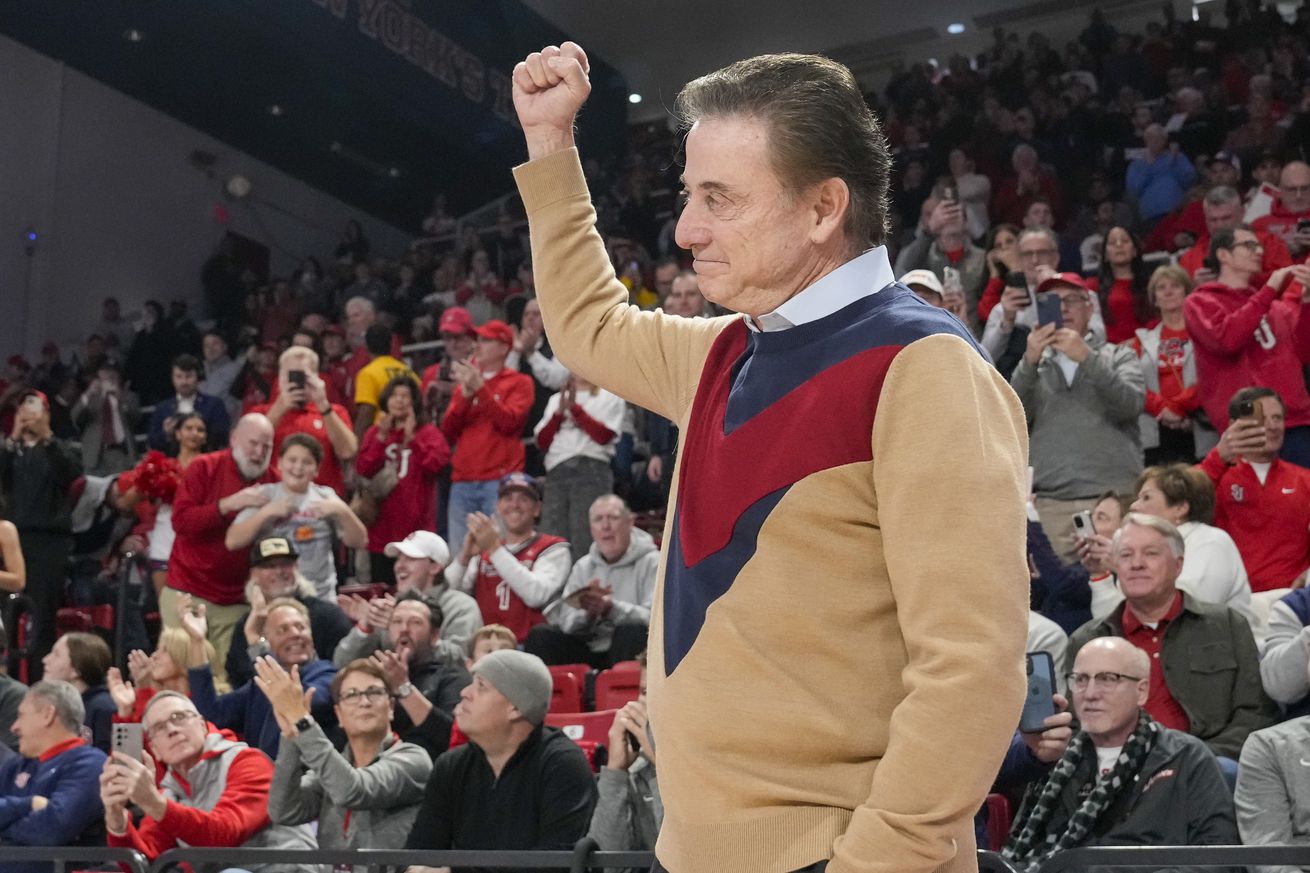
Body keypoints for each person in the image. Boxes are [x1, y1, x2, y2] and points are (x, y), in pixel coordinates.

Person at [512, 42, 1029, 872]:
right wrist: (550, 145)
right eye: (689, 194)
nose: (685, 229)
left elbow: (972, 672)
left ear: (825, 207)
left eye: (719, 198)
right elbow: (589, 326)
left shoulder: (925, 367)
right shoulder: (723, 348)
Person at [1003, 638, 1238, 870]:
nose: (1091, 693)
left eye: (1108, 679)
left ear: (1141, 691)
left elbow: (1219, 858)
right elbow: (1023, 852)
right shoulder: (1052, 759)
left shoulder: (1187, 756)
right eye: (1081, 679)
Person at [1067, 513, 1274, 767]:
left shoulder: (1228, 625)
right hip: (1119, 773)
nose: (1137, 564)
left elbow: (1254, 713)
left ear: (1178, 565)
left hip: (1209, 765)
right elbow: (1078, 727)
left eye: (1151, 554)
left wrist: (1192, 760)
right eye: (1126, 555)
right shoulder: (1089, 641)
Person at [403, 650, 597, 857]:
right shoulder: (451, 765)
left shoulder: (562, 765)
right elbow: (417, 852)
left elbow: (557, 863)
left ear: (516, 707)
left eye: (481, 686)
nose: (464, 693)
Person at [100, 691, 315, 871]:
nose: (172, 730)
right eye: (159, 728)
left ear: (203, 725)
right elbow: (144, 862)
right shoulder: (168, 793)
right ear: (155, 750)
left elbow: (225, 834)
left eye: (179, 717)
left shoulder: (247, 761)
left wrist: (154, 804)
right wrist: (116, 819)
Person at [1011, 273, 1144, 558]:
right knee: (1054, 597)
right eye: (1052, 302)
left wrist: (1086, 357)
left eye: (1071, 300)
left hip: (1113, 499)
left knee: (1120, 589)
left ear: (1090, 308)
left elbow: (1129, 405)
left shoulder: (1119, 355)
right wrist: (1029, 360)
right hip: (1050, 505)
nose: (1062, 309)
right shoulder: (1033, 365)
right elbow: (1011, 419)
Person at [266, 658, 432, 857]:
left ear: (391, 707)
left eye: (374, 692)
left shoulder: (413, 759)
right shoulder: (333, 768)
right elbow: (283, 810)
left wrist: (303, 723)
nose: (364, 702)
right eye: (352, 695)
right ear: (339, 714)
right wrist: (291, 736)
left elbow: (352, 789)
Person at [165, 413, 276, 686]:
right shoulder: (204, 467)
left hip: (236, 599)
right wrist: (227, 505)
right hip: (187, 590)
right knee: (177, 675)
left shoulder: (274, 479)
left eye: (267, 447)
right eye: (253, 444)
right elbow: (182, 521)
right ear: (234, 438)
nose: (259, 453)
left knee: (225, 680)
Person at [1184, 227, 1310, 464]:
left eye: (1259, 246)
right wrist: (1269, 290)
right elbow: (1226, 340)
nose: (1259, 251)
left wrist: (1307, 299)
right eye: (1250, 246)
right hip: (1247, 429)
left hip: (1295, 423)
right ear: (1223, 255)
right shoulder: (1200, 301)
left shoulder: (1273, 306)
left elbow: (1303, 352)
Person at [183, 595, 337, 758]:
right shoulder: (258, 688)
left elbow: (293, 699)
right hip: (264, 777)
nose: (295, 634)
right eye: (282, 630)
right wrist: (197, 641)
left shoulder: (327, 673)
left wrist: (255, 643)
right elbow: (212, 714)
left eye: (301, 627)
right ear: (268, 642)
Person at [225, 435, 368, 602]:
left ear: (316, 469)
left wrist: (342, 510)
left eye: (307, 462)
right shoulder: (265, 495)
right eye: (292, 460)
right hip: (274, 597)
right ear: (279, 463)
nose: (298, 467)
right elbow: (232, 541)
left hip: (320, 596)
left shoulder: (326, 496)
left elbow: (360, 541)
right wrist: (266, 512)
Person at [1, 388, 82, 679]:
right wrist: (12, 437)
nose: (27, 413)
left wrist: (46, 437)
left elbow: (71, 473)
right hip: (10, 538)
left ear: (46, 414)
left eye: (34, 407)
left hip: (48, 543)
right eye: (22, 408)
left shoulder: (65, 448)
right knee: (5, 615)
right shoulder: (9, 449)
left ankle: (39, 681)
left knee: (41, 615)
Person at [1198, 387, 1310, 593]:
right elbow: (1178, 500)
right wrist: (1219, 456)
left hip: (1293, 601)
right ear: (1234, 426)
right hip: (1233, 601)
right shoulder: (1213, 475)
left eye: (1277, 418)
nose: (1272, 426)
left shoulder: (1305, 480)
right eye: (1261, 418)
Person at [440, 319, 535, 555]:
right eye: (477, 340)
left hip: (499, 481)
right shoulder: (466, 383)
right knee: (460, 555)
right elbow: (448, 430)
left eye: (485, 340)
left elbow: (510, 422)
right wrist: (465, 395)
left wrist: (480, 389)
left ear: (504, 348)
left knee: (500, 554)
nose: (477, 345)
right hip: (463, 480)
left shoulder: (520, 382)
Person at [531, 495, 658, 667]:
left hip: (631, 647)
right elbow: (566, 624)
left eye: (613, 518)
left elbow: (656, 620)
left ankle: (625, 691)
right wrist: (587, 613)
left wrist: (611, 609)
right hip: (590, 646)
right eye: (598, 519)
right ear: (592, 529)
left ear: (630, 522)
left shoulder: (653, 562)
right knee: (541, 635)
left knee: (632, 630)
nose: (605, 526)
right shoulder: (583, 566)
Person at [445, 473, 571, 643]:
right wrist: (464, 558)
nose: (514, 505)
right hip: (485, 649)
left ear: (537, 509)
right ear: (498, 507)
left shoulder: (554, 548)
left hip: (529, 648)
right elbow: (446, 597)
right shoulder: (483, 553)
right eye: (507, 498)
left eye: (523, 499)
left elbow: (536, 594)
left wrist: (494, 549)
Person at [334, 530, 482, 665]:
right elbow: (342, 664)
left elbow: (459, 661)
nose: (399, 566)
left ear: (434, 567)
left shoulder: (461, 607)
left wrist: (403, 626)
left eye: (411, 559)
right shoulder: (388, 608)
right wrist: (365, 626)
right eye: (399, 558)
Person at [357, 376, 451, 586]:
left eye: (405, 396)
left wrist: (413, 439)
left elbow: (437, 465)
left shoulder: (428, 433)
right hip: (381, 528)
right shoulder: (375, 433)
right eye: (394, 396)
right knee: (381, 587)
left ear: (414, 402)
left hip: (417, 527)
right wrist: (381, 437)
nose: (399, 401)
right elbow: (364, 468)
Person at [225, 536, 353, 689]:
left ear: (296, 567)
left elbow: (344, 670)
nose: (279, 571)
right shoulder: (246, 623)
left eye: (286, 564)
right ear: (254, 574)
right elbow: (237, 676)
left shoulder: (327, 615)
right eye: (269, 566)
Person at [0, 681, 107, 864]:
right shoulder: (15, 766)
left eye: (21, 715)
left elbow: (54, 828)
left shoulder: (90, 763)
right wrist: (28, 804)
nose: (14, 727)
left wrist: (5, 832)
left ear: (48, 715)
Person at [1127, 465, 1252, 619]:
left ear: (1180, 508)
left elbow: (1191, 612)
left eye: (1146, 498)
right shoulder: (1141, 549)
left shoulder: (1212, 541)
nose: (1133, 506)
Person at [358, 591, 472, 758]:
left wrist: (404, 688)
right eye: (396, 622)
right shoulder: (373, 676)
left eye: (415, 622)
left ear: (434, 636)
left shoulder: (452, 677)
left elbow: (453, 738)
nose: (404, 629)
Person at [116, 411, 208, 598]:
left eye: (200, 430)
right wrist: (149, 487)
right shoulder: (162, 467)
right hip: (166, 537)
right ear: (178, 433)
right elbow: (126, 503)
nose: (194, 433)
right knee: (167, 609)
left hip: (200, 538)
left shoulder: (213, 468)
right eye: (188, 428)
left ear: (205, 437)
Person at [1130, 266, 1214, 466]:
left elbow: (1212, 376)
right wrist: (1164, 408)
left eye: (1175, 286)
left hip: (1199, 424)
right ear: (1154, 299)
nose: (1168, 292)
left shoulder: (1206, 333)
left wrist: (1179, 406)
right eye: (1161, 288)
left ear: (1187, 292)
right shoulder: (1142, 339)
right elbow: (1133, 382)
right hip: (1156, 427)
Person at [534, 376, 626, 556]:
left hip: (592, 468)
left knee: (586, 534)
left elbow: (604, 436)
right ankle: (554, 583)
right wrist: (559, 413)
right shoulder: (555, 399)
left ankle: (585, 583)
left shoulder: (610, 396)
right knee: (552, 535)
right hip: (557, 470)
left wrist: (575, 410)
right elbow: (542, 441)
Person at [251, 346, 356, 498]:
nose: (298, 382)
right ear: (280, 379)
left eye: (303, 376)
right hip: (272, 497)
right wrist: (278, 409)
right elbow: (250, 450)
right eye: (291, 375)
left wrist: (323, 406)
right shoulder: (259, 413)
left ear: (316, 377)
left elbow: (347, 452)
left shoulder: (335, 412)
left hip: (322, 500)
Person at [589, 651, 660, 867]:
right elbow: (608, 862)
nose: (639, 704)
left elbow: (685, 858)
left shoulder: (710, 768)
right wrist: (615, 771)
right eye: (643, 691)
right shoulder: (638, 768)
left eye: (653, 691)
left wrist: (663, 764)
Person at [1178, 186, 1291, 284]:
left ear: (1241, 213)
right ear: (1206, 220)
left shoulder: (1270, 243)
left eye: (1226, 218)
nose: (1220, 225)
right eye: (1213, 220)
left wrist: (1244, 277)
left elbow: (1287, 280)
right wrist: (1196, 288)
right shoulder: (1190, 259)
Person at [40, 633, 113, 752]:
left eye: (56, 654)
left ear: (76, 669)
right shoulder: (57, 704)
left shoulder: (103, 708)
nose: (45, 659)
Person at [147, 354, 230, 452]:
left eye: (189, 376)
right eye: (179, 377)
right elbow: (152, 443)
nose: (184, 382)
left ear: (197, 378)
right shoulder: (163, 408)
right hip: (172, 462)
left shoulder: (214, 404)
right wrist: (166, 433)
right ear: (172, 379)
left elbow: (223, 437)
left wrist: (199, 429)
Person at [71, 361, 140, 476]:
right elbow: (75, 417)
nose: (108, 381)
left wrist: (120, 399)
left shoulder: (128, 396)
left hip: (121, 454)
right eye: (104, 378)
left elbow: (136, 418)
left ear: (118, 378)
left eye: (112, 377)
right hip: (95, 456)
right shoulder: (91, 399)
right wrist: (88, 393)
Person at [1092, 226, 1157, 346]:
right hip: (1109, 355)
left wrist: (1136, 343)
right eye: (1112, 242)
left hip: (1145, 349)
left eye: (1125, 241)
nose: (1119, 245)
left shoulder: (1152, 284)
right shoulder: (1092, 286)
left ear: (1135, 250)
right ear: (1105, 254)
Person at [352, 324, 418, 441]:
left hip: (383, 437)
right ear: (391, 344)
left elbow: (366, 414)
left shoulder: (368, 373)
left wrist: (355, 446)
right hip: (410, 435)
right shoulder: (408, 371)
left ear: (366, 346)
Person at [1252, 160, 1310, 259]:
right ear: (1280, 190)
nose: (1298, 195)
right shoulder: (1259, 225)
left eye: (1305, 188)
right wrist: (1281, 251)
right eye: (1291, 189)